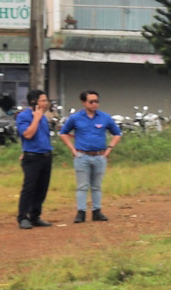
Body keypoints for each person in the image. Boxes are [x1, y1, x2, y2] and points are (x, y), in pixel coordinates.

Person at [58, 90, 121, 223]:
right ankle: (81, 212)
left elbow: (117, 133)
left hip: (99, 156)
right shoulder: (75, 118)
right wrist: (72, 148)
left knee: (97, 186)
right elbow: (63, 133)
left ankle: (96, 211)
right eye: (91, 102)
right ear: (83, 103)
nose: (94, 104)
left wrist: (110, 148)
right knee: (82, 185)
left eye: (96, 101)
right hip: (82, 156)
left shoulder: (105, 117)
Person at [15, 89, 55, 230]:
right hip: (32, 157)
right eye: (43, 100)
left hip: (46, 156)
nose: (46, 103)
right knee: (29, 188)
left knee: (41, 189)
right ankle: (23, 217)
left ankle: (35, 216)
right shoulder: (23, 116)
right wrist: (36, 118)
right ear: (33, 102)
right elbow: (27, 135)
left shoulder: (44, 117)